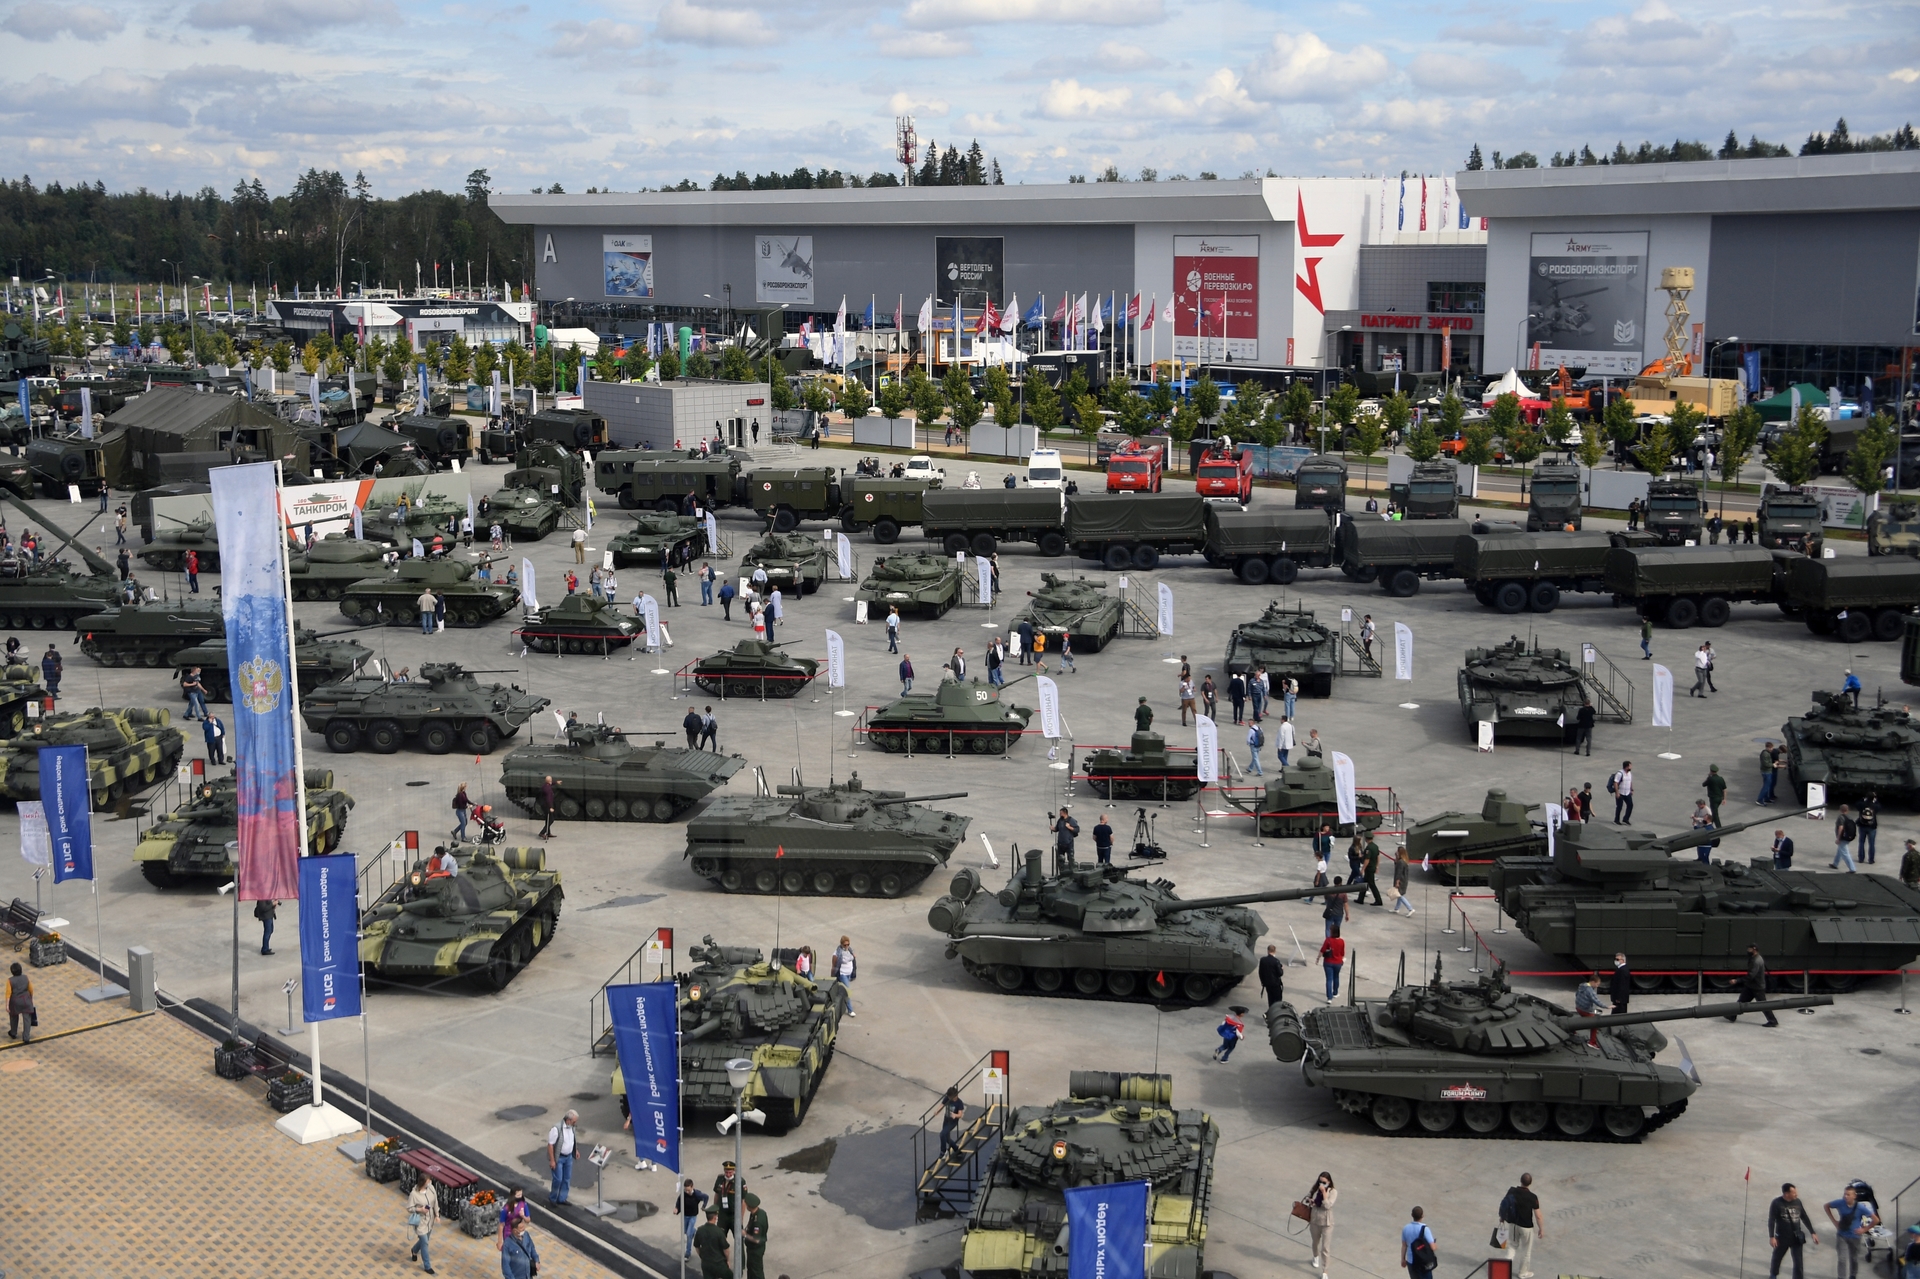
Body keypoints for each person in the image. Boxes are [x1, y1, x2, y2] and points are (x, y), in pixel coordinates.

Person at [1825, 1184, 1878, 1279]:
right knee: (1842, 1259)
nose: (1846, 1196)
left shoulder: (1860, 1207)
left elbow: (1876, 1219)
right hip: (1842, 1235)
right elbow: (1826, 1206)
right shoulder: (1840, 1203)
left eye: (1848, 1194)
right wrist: (1834, 1221)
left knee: (1854, 1258)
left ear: (1854, 1196)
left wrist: (1864, 1229)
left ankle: (1853, 1275)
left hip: (1855, 1236)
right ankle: (1841, 1277)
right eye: (1845, 1194)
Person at [1767, 1183, 1818, 1279]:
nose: (1796, 1194)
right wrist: (1772, 1237)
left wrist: (1812, 1232)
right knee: (1777, 1258)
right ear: (1786, 1194)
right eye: (1793, 1192)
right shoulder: (1777, 1203)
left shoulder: (1798, 1202)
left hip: (1796, 1237)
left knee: (1798, 1262)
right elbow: (1771, 1220)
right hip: (1782, 1237)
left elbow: (1804, 1217)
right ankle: (1773, 1275)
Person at [1501, 1173, 1545, 1279]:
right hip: (1526, 1227)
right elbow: (1538, 1216)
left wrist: (1502, 1218)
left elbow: (1504, 1205)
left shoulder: (1512, 1191)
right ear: (1530, 1183)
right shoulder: (1532, 1197)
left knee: (1512, 1246)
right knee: (1526, 1250)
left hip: (1513, 1224)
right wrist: (1541, 1229)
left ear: (1520, 1180)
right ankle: (1522, 1273)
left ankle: (1503, 1270)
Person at [1728, 943, 1779, 1027]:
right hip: (1751, 986)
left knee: (1763, 1005)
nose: (1748, 951)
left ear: (1754, 949)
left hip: (1757, 987)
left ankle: (1773, 1021)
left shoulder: (1756, 961)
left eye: (1749, 949)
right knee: (1741, 1001)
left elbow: (1751, 975)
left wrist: (1737, 980)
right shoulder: (1755, 958)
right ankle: (1732, 1015)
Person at [407, 1171, 439, 1274]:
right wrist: (420, 1209)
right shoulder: (414, 1194)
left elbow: (435, 1202)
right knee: (425, 1243)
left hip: (430, 1221)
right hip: (421, 1223)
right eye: (428, 1181)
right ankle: (427, 1266)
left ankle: (414, 1250)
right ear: (423, 1182)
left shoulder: (431, 1189)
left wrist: (437, 1215)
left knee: (424, 1241)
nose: (430, 1183)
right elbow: (409, 1208)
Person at [546, 1109, 579, 1204]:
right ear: (568, 1120)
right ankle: (553, 1198)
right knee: (558, 1179)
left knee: (566, 1179)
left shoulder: (572, 1127)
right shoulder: (556, 1129)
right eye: (574, 1121)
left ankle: (562, 1199)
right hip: (559, 1158)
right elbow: (550, 1145)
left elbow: (572, 1140)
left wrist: (575, 1150)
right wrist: (552, 1160)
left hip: (568, 1157)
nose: (575, 1123)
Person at [676, 1179, 711, 1259]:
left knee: (689, 1234)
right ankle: (694, 1231)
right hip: (685, 1216)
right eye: (685, 1190)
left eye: (688, 1190)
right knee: (685, 1231)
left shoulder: (697, 1194)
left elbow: (706, 1197)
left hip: (693, 1216)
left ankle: (688, 1253)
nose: (687, 1192)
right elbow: (679, 1201)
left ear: (692, 1187)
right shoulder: (684, 1194)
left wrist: (704, 1206)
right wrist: (677, 1208)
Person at [693, 1208, 731, 1279]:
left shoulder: (700, 1230)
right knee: (731, 1276)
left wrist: (702, 1256)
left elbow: (696, 1246)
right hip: (718, 1263)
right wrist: (728, 1260)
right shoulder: (719, 1231)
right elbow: (726, 1249)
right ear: (715, 1217)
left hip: (706, 1263)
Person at [1402, 1206, 1437, 1279]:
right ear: (1422, 1216)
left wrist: (1403, 1259)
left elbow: (1404, 1246)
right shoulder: (1425, 1229)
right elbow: (1433, 1247)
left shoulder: (1406, 1228)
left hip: (1411, 1261)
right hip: (1423, 1262)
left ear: (1412, 1215)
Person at [742, 1191, 769, 1279]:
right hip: (753, 1249)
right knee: (751, 1269)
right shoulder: (759, 1213)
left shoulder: (757, 1222)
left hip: (755, 1250)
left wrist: (745, 1235)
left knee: (756, 1271)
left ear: (749, 1206)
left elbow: (756, 1239)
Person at [7, 961, 35, 1042]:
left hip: (15, 1002)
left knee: (13, 1016)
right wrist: (30, 999)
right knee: (27, 1019)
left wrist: (7, 1005)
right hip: (26, 1000)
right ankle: (26, 1037)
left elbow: (8, 994)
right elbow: (31, 989)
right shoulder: (26, 978)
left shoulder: (10, 981)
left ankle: (13, 1032)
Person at [1575, 972, 1603, 1046]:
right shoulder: (1590, 991)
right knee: (1594, 1024)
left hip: (1578, 1007)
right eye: (1597, 984)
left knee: (1582, 1019)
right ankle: (1592, 1042)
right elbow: (1596, 1001)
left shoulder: (1582, 986)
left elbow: (1576, 994)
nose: (1597, 986)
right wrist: (1607, 1007)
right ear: (1593, 982)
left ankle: (1573, 1030)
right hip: (1585, 1010)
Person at [1318, 925, 1345, 1001]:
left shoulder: (1328, 940)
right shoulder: (1342, 941)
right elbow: (1342, 953)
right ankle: (1335, 993)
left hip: (1328, 962)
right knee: (1336, 977)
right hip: (1338, 963)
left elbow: (1322, 950)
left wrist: (1318, 958)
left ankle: (1329, 998)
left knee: (1329, 979)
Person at [832, 936, 856, 1016]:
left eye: (848, 944)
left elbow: (852, 959)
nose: (847, 946)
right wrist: (832, 975)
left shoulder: (849, 950)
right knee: (847, 991)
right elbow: (835, 965)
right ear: (841, 944)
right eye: (845, 945)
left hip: (849, 974)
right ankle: (850, 1010)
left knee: (842, 991)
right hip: (843, 974)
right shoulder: (837, 953)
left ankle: (838, 1003)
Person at [939, 1086, 966, 1159]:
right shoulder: (947, 1098)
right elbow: (942, 1104)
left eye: (951, 1097)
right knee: (946, 1137)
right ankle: (956, 1150)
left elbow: (960, 1115)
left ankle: (943, 1151)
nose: (950, 1099)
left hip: (952, 1122)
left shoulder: (959, 1103)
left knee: (942, 1134)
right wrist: (937, 1111)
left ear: (955, 1096)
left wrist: (955, 1115)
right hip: (946, 1119)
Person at [1832, 805, 1858, 872]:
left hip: (1843, 837)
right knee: (1840, 850)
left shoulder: (1841, 817)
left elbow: (1841, 828)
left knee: (1845, 853)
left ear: (1840, 810)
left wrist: (1838, 838)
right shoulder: (1850, 817)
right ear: (1848, 810)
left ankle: (1852, 869)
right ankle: (1835, 864)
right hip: (1849, 837)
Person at [1359, 837, 1383, 906]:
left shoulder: (1369, 848)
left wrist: (1363, 869)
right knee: (1365, 883)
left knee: (1372, 884)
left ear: (1366, 839)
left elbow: (1367, 859)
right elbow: (1378, 857)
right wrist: (1377, 866)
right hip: (1373, 867)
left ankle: (1378, 900)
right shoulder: (1375, 846)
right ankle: (1360, 899)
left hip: (1369, 869)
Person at [1857, 792, 1879, 864]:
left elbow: (1857, 805)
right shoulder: (1875, 806)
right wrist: (1876, 800)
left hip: (1862, 825)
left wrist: (1863, 799)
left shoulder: (1862, 804)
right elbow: (1879, 808)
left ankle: (1861, 858)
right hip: (1872, 826)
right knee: (1871, 843)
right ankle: (1871, 860)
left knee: (1861, 842)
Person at [1391, 847, 1415, 914]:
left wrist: (1397, 882)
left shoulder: (1401, 862)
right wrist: (1396, 857)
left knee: (1399, 895)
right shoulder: (1404, 861)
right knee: (1399, 894)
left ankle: (1410, 909)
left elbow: (1399, 872)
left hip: (1400, 881)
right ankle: (1397, 908)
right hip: (1404, 880)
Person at [538, 775, 558, 839]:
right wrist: (550, 807)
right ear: (549, 781)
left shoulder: (546, 785)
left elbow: (551, 784)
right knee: (551, 820)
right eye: (551, 780)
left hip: (544, 805)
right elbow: (548, 799)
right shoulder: (547, 789)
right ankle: (542, 833)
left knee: (547, 819)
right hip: (547, 806)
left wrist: (556, 782)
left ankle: (548, 833)